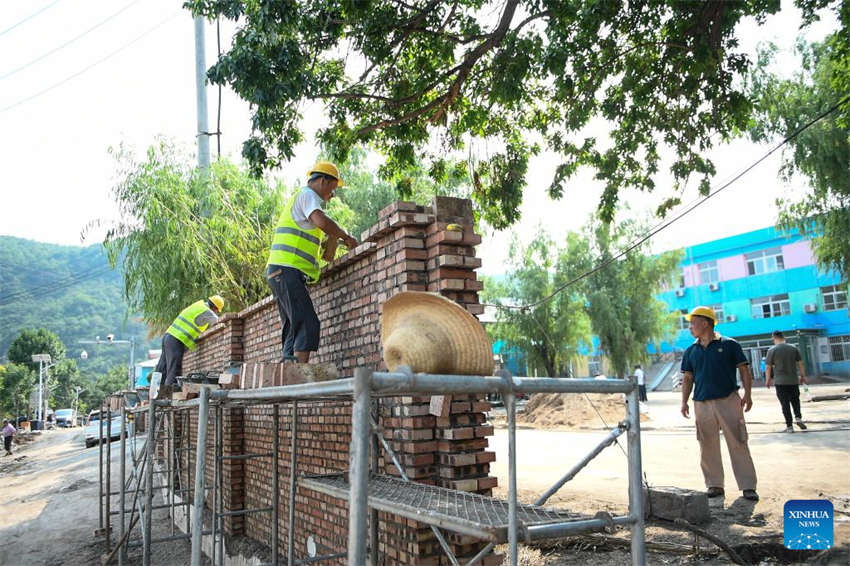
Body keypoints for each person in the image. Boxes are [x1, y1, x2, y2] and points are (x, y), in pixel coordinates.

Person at [266, 161, 358, 363]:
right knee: (307, 323)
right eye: (333, 189)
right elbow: (323, 221)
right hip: (286, 269)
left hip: (279, 271)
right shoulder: (308, 195)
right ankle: (298, 377)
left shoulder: (305, 206)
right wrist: (347, 236)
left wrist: (334, 237)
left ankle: (287, 375)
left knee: (292, 325)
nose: (332, 195)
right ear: (323, 181)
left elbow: (328, 257)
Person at [680, 305, 759, 502]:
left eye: (692, 323)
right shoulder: (691, 351)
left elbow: (744, 370)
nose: (689, 327)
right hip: (702, 403)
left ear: (705, 323)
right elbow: (688, 379)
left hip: (728, 400)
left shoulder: (730, 344)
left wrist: (747, 395)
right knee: (707, 445)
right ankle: (714, 485)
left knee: (738, 442)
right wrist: (684, 402)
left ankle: (748, 486)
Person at [154, 295, 224, 386]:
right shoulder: (207, 312)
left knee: (161, 368)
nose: (217, 312)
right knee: (174, 369)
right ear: (215, 307)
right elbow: (219, 322)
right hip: (177, 339)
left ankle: (154, 394)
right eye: (217, 310)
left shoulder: (198, 305)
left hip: (168, 336)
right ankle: (171, 395)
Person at [765, 330, 808, 432]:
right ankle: (798, 417)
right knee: (795, 401)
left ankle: (789, 426)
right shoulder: (793, 348)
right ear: (783, 337)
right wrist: (803, 376)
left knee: (785, 404)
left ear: (774, 337)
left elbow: (768, 367)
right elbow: (801, 363)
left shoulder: (772, 350)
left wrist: (768, 380)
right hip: (793, 380)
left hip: (780, 382)